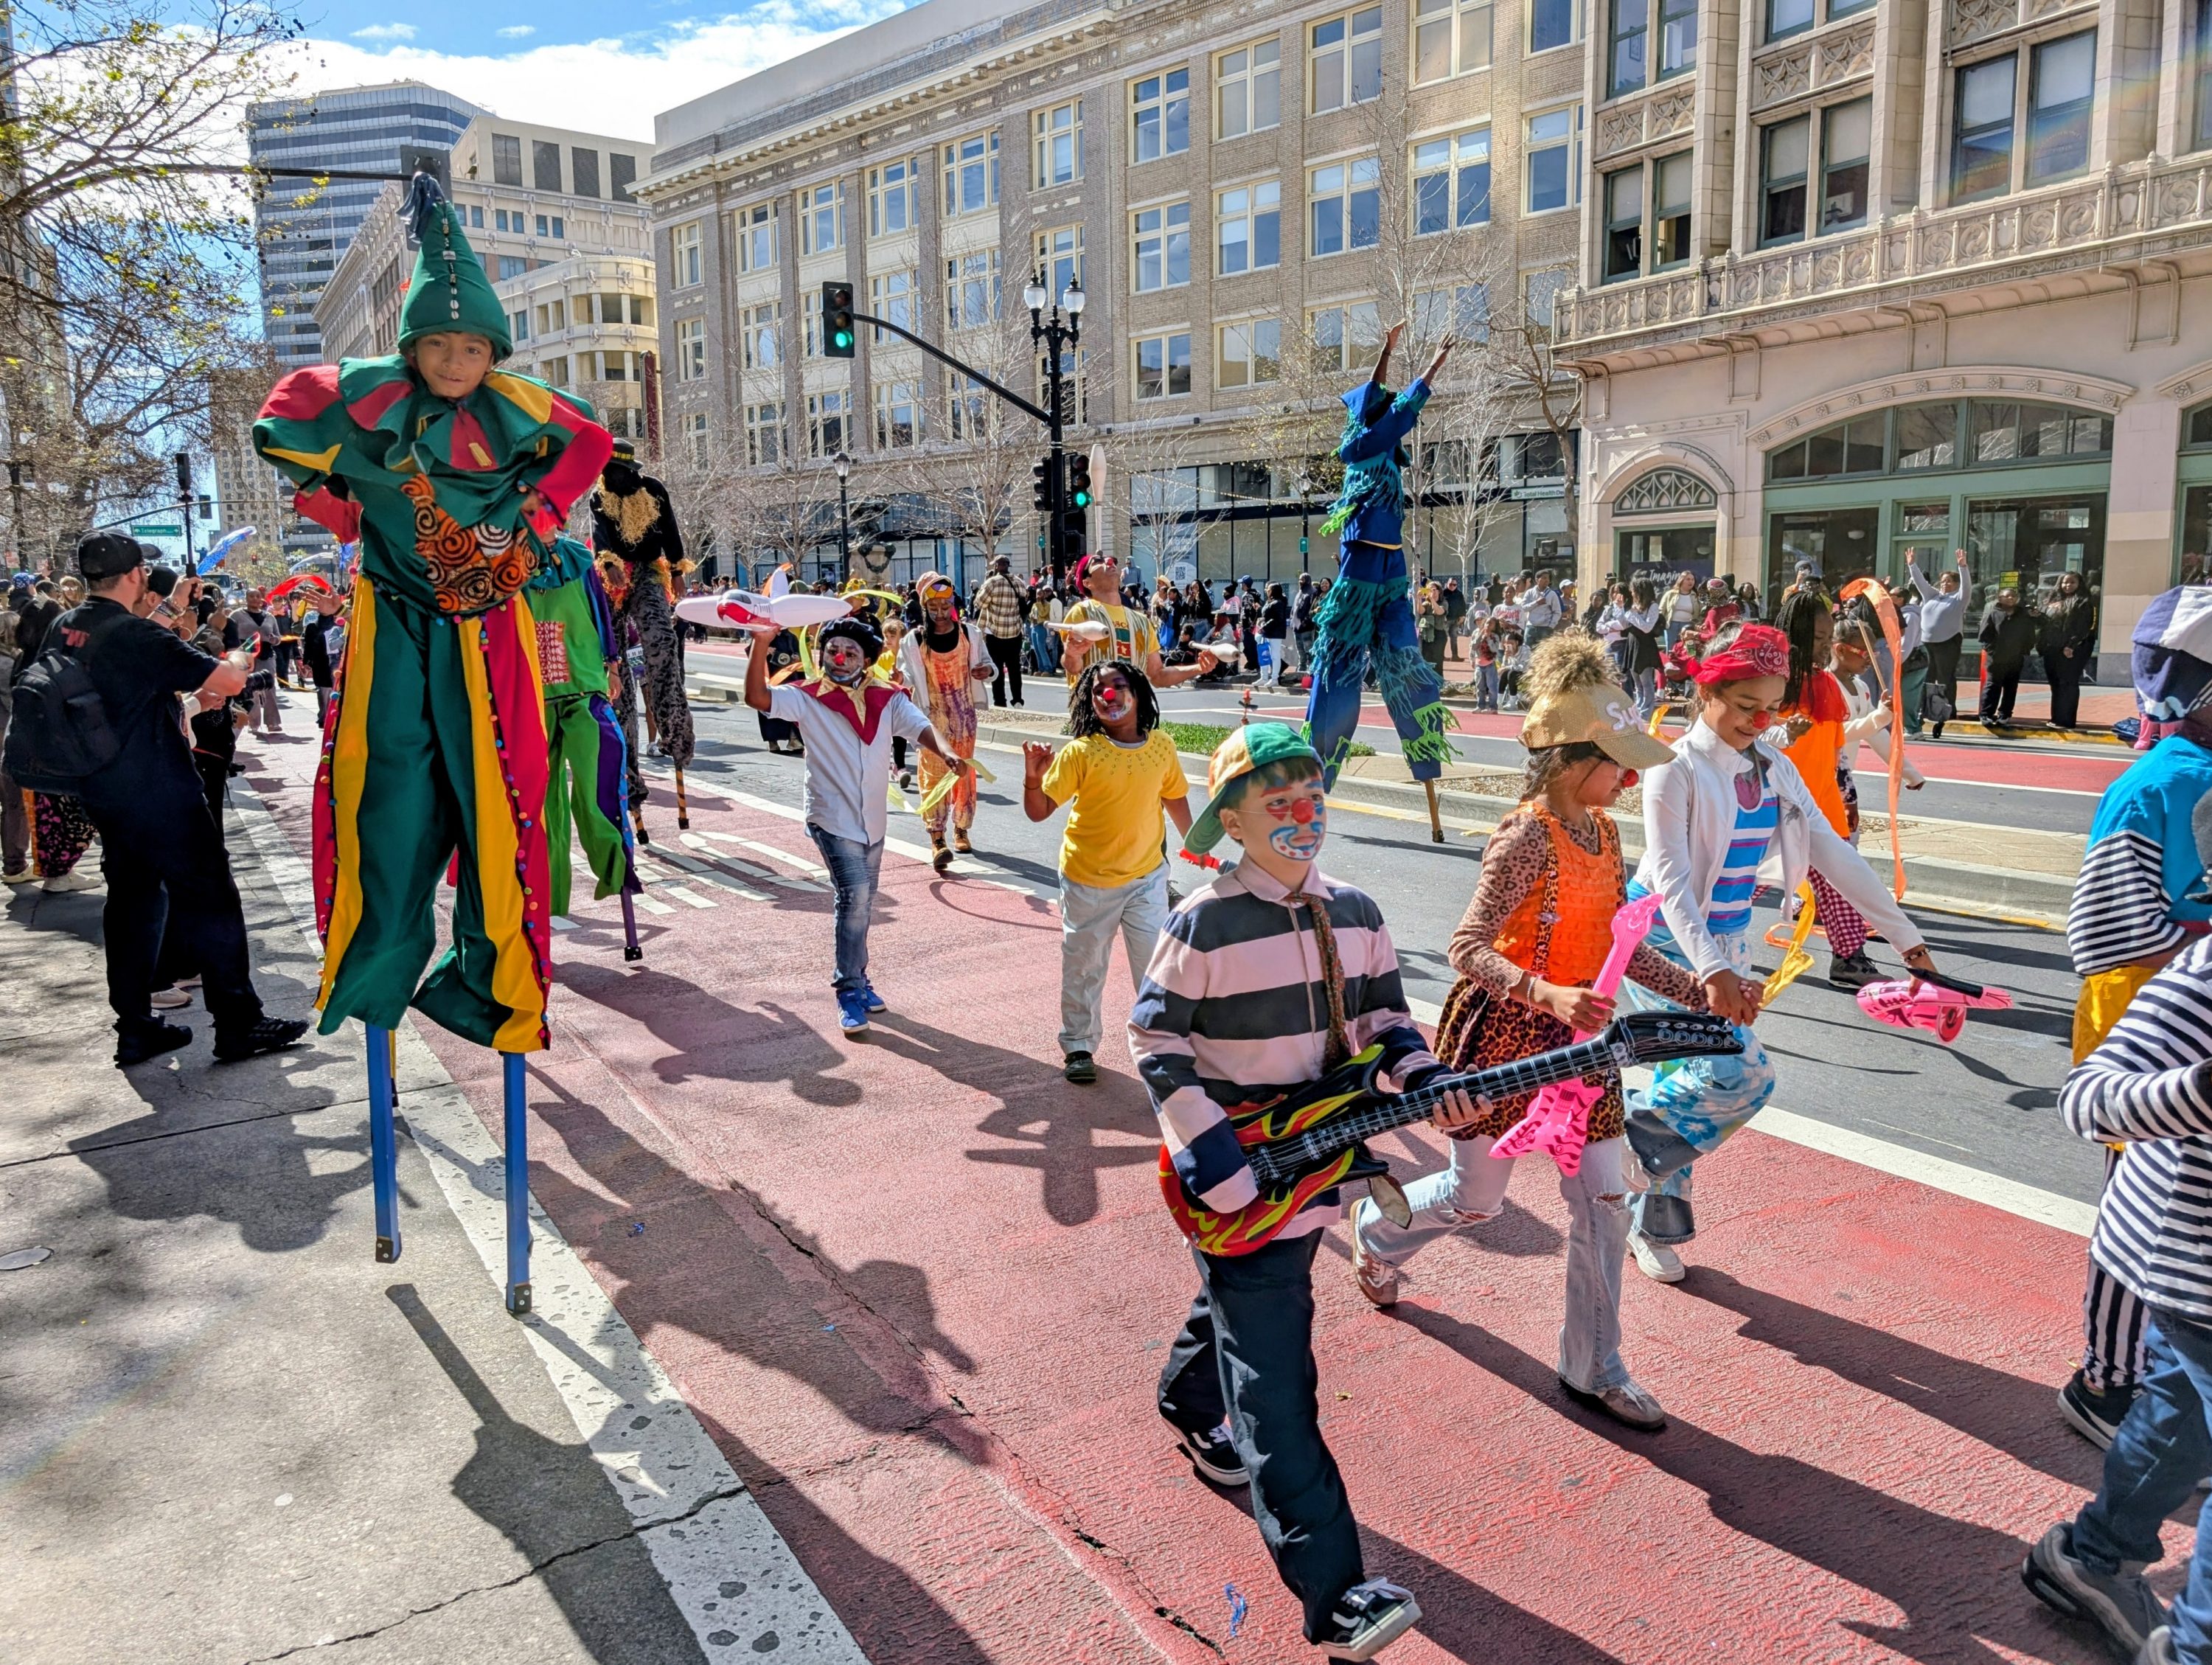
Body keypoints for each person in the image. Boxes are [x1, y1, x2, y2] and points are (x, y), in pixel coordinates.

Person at [254, 173, 612, 1055]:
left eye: (473, 347)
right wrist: (346, 511)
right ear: (412, 344)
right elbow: (284, 417)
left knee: (503, 803)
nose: (456, 362)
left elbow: (591, 442)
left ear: (495, 352)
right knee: (387, 790)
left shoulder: (518, 411)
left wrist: (532, 521)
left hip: (493, 630)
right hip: (393, 622)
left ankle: (487, 988)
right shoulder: (367, 401)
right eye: (439, 343)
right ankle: (376, 969)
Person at [1135, 722, 1463, 1661]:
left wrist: (1413, 1066)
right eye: (1274, 797)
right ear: (1230, 818)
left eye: (1310, 792)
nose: (1299, 811)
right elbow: (1156, 1043)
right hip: (1235, 1170)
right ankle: (1339, 1593)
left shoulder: (1356, 910)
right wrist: (1214, 1159)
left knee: (1244, 1309)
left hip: (1315, 1167)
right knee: (1278, 1381)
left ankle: (1184, 1397)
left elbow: (1388, 1016)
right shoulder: (1201, 921)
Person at [1348, 633, 1692, 1431]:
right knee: (1477, 1201)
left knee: (1604, 1202)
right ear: (1575, 760)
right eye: (1618, 762)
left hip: (1583, 1049)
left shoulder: (1607, 835)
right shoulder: (1525, 835)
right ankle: (1378, 1230)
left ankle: (1595, 1365)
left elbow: (1620, 940)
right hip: (1501, 1041)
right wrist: (1547, 991)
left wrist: (1701, 990)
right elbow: (1464, 948)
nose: (1630, 777)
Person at [1616, 621, 1938, 1281]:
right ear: (1706, 691)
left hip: (1724, 941)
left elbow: (1836, 857)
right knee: (1741, 1075)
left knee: (1688, 1082)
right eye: (1744, 706)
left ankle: (1646, 1218)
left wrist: (1908, 940)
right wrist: (1711, 971)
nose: (1759, 720)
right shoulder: (1671, 769)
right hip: (1660, 940)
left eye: (1769, 708)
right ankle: (1621, 1141)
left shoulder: (1776, 769)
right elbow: (1673, 882)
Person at [20, 533, 309, 1064]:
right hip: (162, 791)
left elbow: (121, 652)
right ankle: (239, 1022)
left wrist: (176, 608)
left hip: (104, 790)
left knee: (132, 904)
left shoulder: (69, 626)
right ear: (134, 576)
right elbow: (224, 677)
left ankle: (135, 1027)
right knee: (211, 900)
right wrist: (242, 658)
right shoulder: (133, 634)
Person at [2021, 935, 2212, 1665]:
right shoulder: (2203, 977)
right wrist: (2200, 1089)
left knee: (2179, 1417)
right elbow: (2088, 1094)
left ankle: (2095, 1554)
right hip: (2190, 1258)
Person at [2055, 587, 2212, 1448]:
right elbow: (2105, 931)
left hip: (2175, 1009)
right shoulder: (2158, 782)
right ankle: (2105, 1379)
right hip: (2147, 1021)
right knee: (2142, 1206)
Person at [744, 610, 970, 1034]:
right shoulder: (807, 696)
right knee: (853, 899)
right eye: (833, 650)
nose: (841, 657)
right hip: (831, 818)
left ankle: (861, 979)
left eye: (850, 651)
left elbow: (921, 727)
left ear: (866, 659)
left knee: (862, 904)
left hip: (874, 822)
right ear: (823, 655)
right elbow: (758, 698)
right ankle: (848, 989)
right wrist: (761, 642)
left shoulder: (887, 697)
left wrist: (947, 752)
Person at [1020, 659, 1192, 1083]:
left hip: (1147, 878)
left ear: (1137, 692)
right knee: (1084, 966)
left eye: (1117, 686)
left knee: (1156, 965)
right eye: (1098, 690)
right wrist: (1032, 779)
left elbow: (1174, 797)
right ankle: (1078, 1044)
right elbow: (1039, 812)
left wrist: (1198, 845)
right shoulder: (1081, 752)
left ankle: (1163, 1044)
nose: (1108, 695)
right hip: (1088, 882)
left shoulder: (1162, 746)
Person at [1305, 323, 1458, 788]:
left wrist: (1402, 357)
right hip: (1363, 566)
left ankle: (1425, 759)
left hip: (1390, 568)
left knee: (1406, 664)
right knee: (1341, 666)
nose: (1392, 409)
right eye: (1382, 406)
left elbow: (1394, 405)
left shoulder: (1384, 450)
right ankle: (1318, 770)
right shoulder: (1366, 443)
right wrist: (1425, 361)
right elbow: (1404, 404)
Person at [1773, 591, 1885, 989]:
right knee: (1743, 882)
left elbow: (1838, 751)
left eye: (1826, 639)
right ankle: (1680, 934)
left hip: (1821, 806)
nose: (1822, 647)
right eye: (1815, 639)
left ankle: (1849, 958)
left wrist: (1844, 798)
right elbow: (1753, 735)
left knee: (1840, 884)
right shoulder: (1773, 681)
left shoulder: (1828, 685)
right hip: (1775, 806)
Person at [592, 439, 696, 816]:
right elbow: (601, 540)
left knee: (660, 642)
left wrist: (680, 569)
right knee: (614, 664)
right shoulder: (600, 497)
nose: (619, 479)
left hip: (651, 573)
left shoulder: (653, 489)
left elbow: (670, 531)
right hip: (616, 580)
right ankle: (629, 773)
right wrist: (608, 566)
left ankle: (674, 728)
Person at [896, 571, 992, 871]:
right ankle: (937, 837)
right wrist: (899, 678)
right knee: (932, 775)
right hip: (930, 718)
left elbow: (988, 665)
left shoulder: (970, 634)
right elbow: (907, 674)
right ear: (925, 607)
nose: (940, 613)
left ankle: (962, 827)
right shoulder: (913, 640)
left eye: (945, 606)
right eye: (933, 608)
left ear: (953, 604)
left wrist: (986, 672)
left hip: (964, 716)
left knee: (964, 773)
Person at [1061, 552, 1218, 689]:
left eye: (1109, 560)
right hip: (1094, 714)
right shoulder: (1081, 613)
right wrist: (1071, 656)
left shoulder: (1141, 622)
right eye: (1097, 562)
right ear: (1087, 582)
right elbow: (1073, 669)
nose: (1108, 562)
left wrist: (1199, 668)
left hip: (1132, 717)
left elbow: (1157, 676)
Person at [1910, 550, 1970, 738]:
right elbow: (1921, 583)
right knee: (1926, 679)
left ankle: (1948, 710)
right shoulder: (1931, 596)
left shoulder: (1959, 599)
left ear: (1956, 585)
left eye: (1950, 581)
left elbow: (1967, 586)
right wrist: (1912, 565)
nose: (1945, 584)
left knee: (1945, 679)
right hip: (1927, 643)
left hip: (1948, 643)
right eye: (1943, 581)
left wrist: (1962, 567)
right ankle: (1924, 710)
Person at [2042, 570, 2099, 730]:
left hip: (2073, 649)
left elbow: (2084, 627)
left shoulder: (2084, 602)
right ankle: (2056, 718)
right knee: (2056, 684)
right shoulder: (2052, 600)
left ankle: (2066, 720)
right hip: (2052, 648)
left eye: (2072, 582)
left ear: (2079, 584)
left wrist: (2071, 645)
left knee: (2068, 683)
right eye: (2065, 582)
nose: (2068, 585)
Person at [1978, 585, 2041, 726]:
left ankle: (2005, 714)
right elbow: (1984, 635)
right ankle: (1986, 714)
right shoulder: (1993, 613)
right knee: (1993, 685)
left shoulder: (2023, 615)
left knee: (2011, 687)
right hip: (1995, 658)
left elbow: (2029, 635)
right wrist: (1992, 651)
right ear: (2000, 598)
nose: (2010, 598)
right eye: (2007, 596)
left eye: (2013, 596)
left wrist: (2024, 650)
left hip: (2015, 658)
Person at [972, 555, 1028, 707]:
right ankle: (1017, 699)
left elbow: (980, 603)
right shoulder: (1019, 582)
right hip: (1015, 633)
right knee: (1014, 669)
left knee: (997, 668)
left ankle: (1000, 701)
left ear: (997, 566)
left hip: (995, 633)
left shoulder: (992, 583)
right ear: (1008, 565)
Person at [232, 587, 283, 734]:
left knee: (270, 689)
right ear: (246, 598)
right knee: (250, 689)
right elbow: (229, 634)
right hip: (246, 656)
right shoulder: (237, 615)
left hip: (267, 655)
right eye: (251, 596)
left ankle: (273, 722)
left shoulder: (269, 617)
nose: (255, 599)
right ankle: (254, 723)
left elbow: (279, 637)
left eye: (257, 596)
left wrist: (274, 639)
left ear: (262, 598)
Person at [1258, 580, 1290, 688]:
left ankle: (1274, 678)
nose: (1267, 591)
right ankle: (1264, 677)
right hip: (1268, 632)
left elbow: (1277, 618)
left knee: (1275, 656)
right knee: (1265, 654)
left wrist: (1265, 626)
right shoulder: (1271, 602)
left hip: (1275, 633)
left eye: (1269, 590)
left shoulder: (1278, 603)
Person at [1416, 580, 1450, 680]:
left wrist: (1432, 599)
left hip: (1439, 635)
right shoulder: (1427, 603)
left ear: (1439, 591)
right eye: (1430, 590)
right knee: (1427, 658)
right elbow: (1421, 611)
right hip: (1427, 635)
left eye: (1434, 590)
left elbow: (1439, 612)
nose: (1433, 592)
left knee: (1437, 660)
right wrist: (1418, 599)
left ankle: (1439, 682)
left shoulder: (1444, 602)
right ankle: (1429, 681)